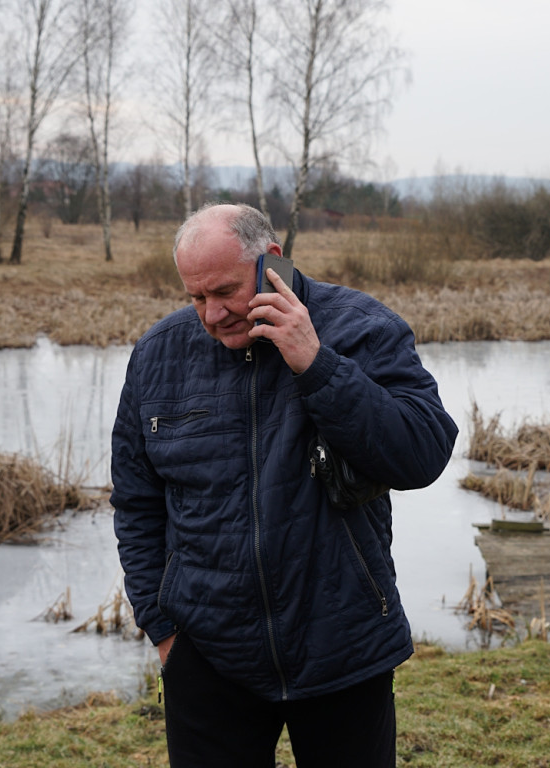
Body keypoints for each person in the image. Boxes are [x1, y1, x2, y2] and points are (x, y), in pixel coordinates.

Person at [110, 202, 457, 768]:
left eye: (224, 292)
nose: (211, 315)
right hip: (207, 655)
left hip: (343, 643)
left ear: (272, 260)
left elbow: (422, 453)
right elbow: (136, 502)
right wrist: (162, 626)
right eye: (196, 297)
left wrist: (317, 365)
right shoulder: (158, 356)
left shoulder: (360, 327)